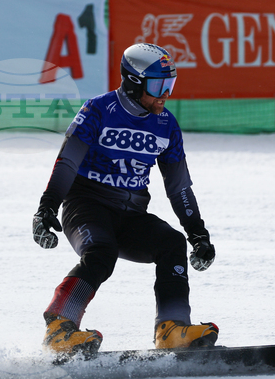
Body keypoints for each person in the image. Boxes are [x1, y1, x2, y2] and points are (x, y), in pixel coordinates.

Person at [31, 43, 217, 358]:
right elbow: (68, 162)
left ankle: (171, 329)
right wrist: (46, 207)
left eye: (169, 85)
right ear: (132, 82)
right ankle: (58, 328)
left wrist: (196, 232)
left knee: (172, 243)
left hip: (130, 214)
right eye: (158, 86)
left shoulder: (166, 125)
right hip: (86, 206)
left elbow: (178, 186)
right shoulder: (99, 109)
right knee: (101, 253)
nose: (165, 95)